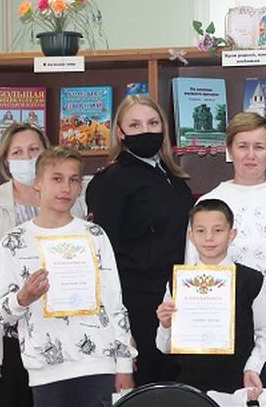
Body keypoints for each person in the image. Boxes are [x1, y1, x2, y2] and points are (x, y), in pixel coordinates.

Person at [0, 147, 136, 407]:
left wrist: (124, 364)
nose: (66, 188)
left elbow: (114, 303)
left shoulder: (94, 235)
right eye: (57, 179)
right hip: (45, 370)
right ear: (38, 183)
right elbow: (0, 312)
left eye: (74, 179)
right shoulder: (15, 241)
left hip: (98, 365)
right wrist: (23, 298)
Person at [0, 123, 86, 407]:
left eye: (33, 150)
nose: (26, 158)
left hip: (59, 345)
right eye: (17, 152)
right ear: (6, 161)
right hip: (5, 346)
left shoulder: (72, 203)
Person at [186, 112, 266, 388]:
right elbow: (192, 271)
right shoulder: (208, 202)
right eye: (242, 146)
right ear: (229, 149)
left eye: (259, 146)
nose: (250, 155)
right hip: (218, 335)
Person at [86, 95, 194, 385]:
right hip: (138, 310)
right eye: (135, 125)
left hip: (178, 305)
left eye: (152, 123)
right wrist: (121, 335)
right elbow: (102, 263)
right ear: (120, 132)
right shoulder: (110, 181)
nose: (146, 131)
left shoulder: (173, 177)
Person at [155, 199, 266, 400]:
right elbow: (164, 347)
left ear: (231, 234)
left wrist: (252, 367)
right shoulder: (178, 281)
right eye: (200, 231)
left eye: (218, 230)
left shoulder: (251, 280)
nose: (209, 238)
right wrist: (166, 325)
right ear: (191, 236)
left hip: (236, 386)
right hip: (190, 386)